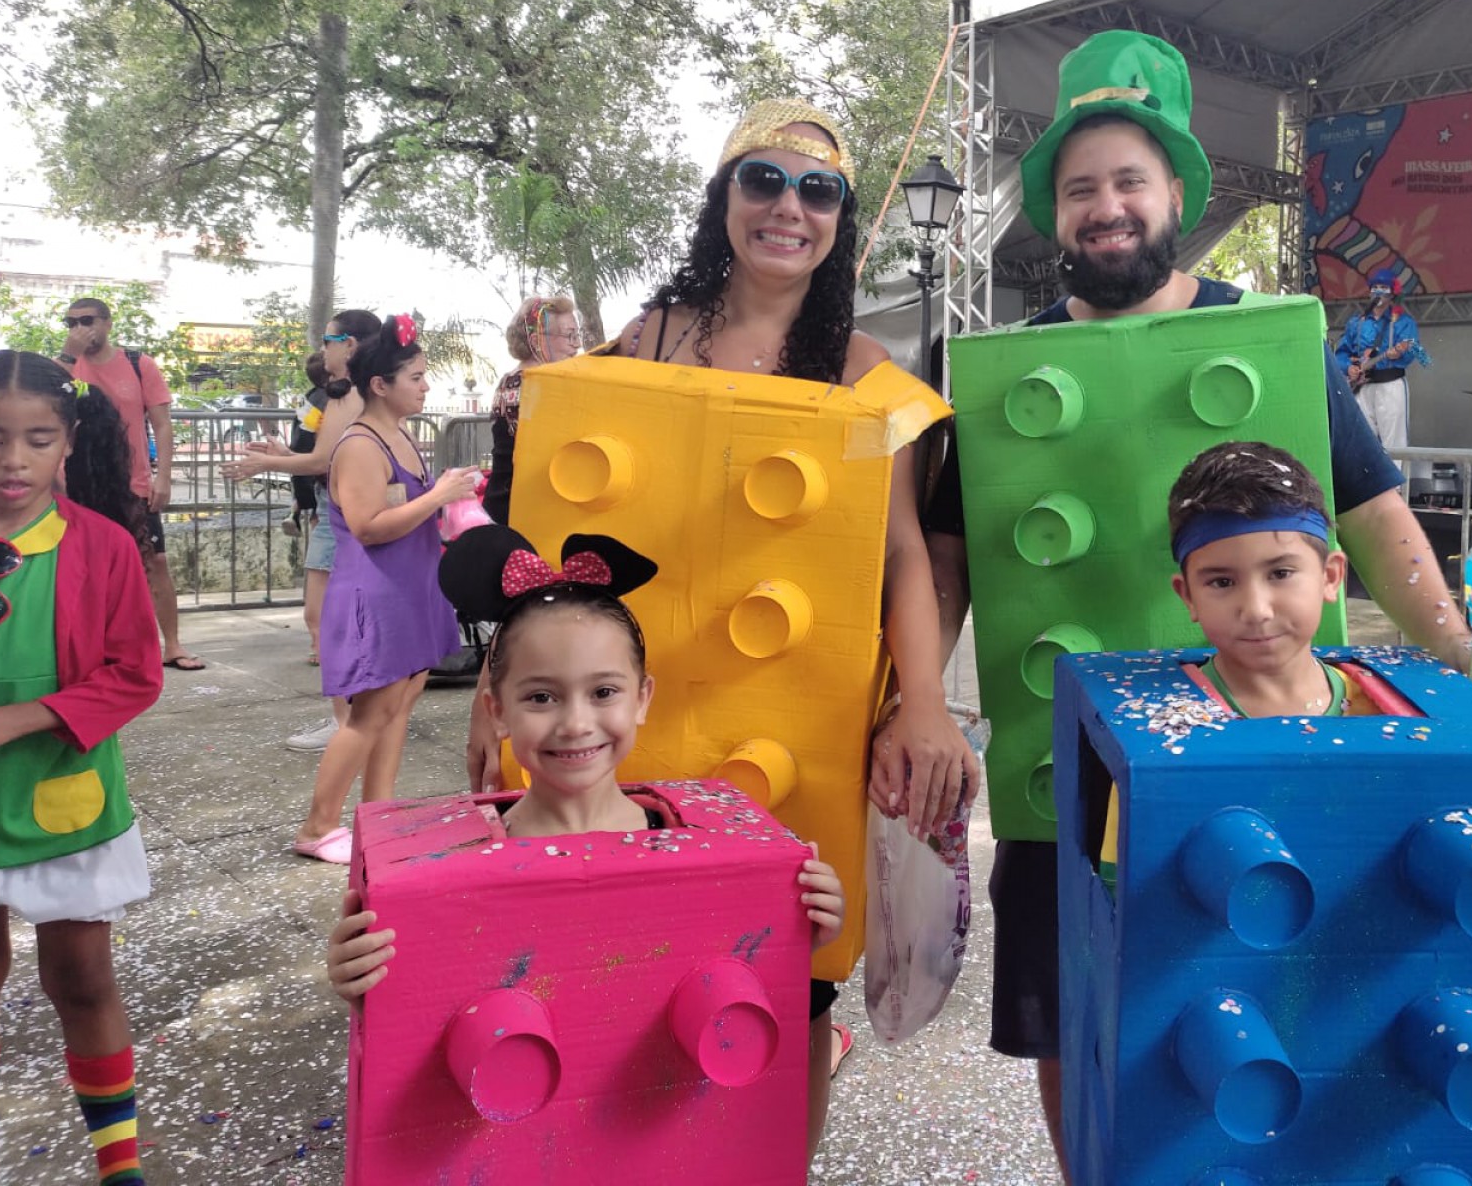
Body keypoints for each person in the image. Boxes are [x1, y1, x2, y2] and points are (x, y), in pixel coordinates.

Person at [920, 29, 1472, 1183]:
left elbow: (1371, 513)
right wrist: (914, 703)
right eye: (1081, 189)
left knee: (1264, 998)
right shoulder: (1001, 373)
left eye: (1130, 180)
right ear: (1056, 214)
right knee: (1074, 1013)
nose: (1106, 207)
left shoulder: (1265, 344)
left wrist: (1466, 660)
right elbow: (946, 560)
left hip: (1260, 738)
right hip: (1060, 766)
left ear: (1176, 193)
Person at [464, 98, 977, 1125]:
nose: (791, 207)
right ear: (724, 198)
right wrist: (495, 690)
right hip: (630, 720)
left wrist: (921, 701)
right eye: (765, 181)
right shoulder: (649, 339)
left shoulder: (861, 368)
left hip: (791, 726)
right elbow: (564, 540)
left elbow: (902, 556)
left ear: (839, 219)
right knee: (613, 974)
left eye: (819, 190)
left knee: (784, 987)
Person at [326, 524, 846, 1149]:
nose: (576, 724)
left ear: (643, 699)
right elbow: (414, 1031)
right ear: (497, 711)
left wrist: (797, 929)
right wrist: (364, 983)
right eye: (542, 696)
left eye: (603, 692)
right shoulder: (453, 873)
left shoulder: (688, 847)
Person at [0, 351, 164, 1186]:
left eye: (38, 440)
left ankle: (121, 1168)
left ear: (69, 442)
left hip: (62, 801)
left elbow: (134, 673)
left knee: (80, 977)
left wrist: (15, 718)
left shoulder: (103, 546)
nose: (14, 461)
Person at [291, 314, 478, 864]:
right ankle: (317, 826)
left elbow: (405, 510)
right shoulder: (360, 444)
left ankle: (379, 815)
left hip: (410, 586)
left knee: (400, 703)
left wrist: (448, 498)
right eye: (415, 377)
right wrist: (440, 494)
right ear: (380, 384)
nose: (424, 386)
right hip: (376, 592)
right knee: (371, 712)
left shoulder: (396, 434)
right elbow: (369, 525)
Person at [221, 310, 385, 754]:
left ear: (350, 345)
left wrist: (268, 462)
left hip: (341, 514)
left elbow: (322, 460)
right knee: (333, 622)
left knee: (325, 620)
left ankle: (347, 723)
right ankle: (348, 717)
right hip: (341, 510)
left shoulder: (347, 395)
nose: (322, 348)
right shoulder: (353, 394)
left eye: (329, 339)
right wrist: (282, 454)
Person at [60, 296, 202, 672]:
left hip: (133, 484)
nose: (79, 329)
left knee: (154, 562)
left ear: (107, 323)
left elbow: (163, 424)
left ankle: (171, 645)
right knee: (83, 566)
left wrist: (164, 476)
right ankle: (93, 647)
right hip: (80, 485)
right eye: (70, 322)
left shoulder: (139, 365)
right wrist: (68, 356)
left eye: (86, 320)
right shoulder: (66, 366)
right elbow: (48, 401)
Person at [482, 294, 582, 526]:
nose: (577, 344)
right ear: (537, 341)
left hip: (502, 501)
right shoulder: (546, 384)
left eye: (577, 335)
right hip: (527, 511)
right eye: (570, 335)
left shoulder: (509, 380)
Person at [1333, 266, 1428, 454]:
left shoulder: (1403, 322)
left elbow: (1413, 350)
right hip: (1362, 386)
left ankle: (1396, 484)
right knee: (1362, 440)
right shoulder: (1356, 322)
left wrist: (1400, 353)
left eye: (1383, 288)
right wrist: (1348, 367)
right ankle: (1367, 483)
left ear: (1393, 293)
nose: (1378, 291)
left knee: (1394, 442)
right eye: (1374, 287)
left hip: (1390, 384)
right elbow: (1341, 354)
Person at [280, 351, 330, 544]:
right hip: (315, 461)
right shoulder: (330, 400)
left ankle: (295, 512)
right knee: (320, 511)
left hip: (298, 454)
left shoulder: (307, 398)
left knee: (305, 495)